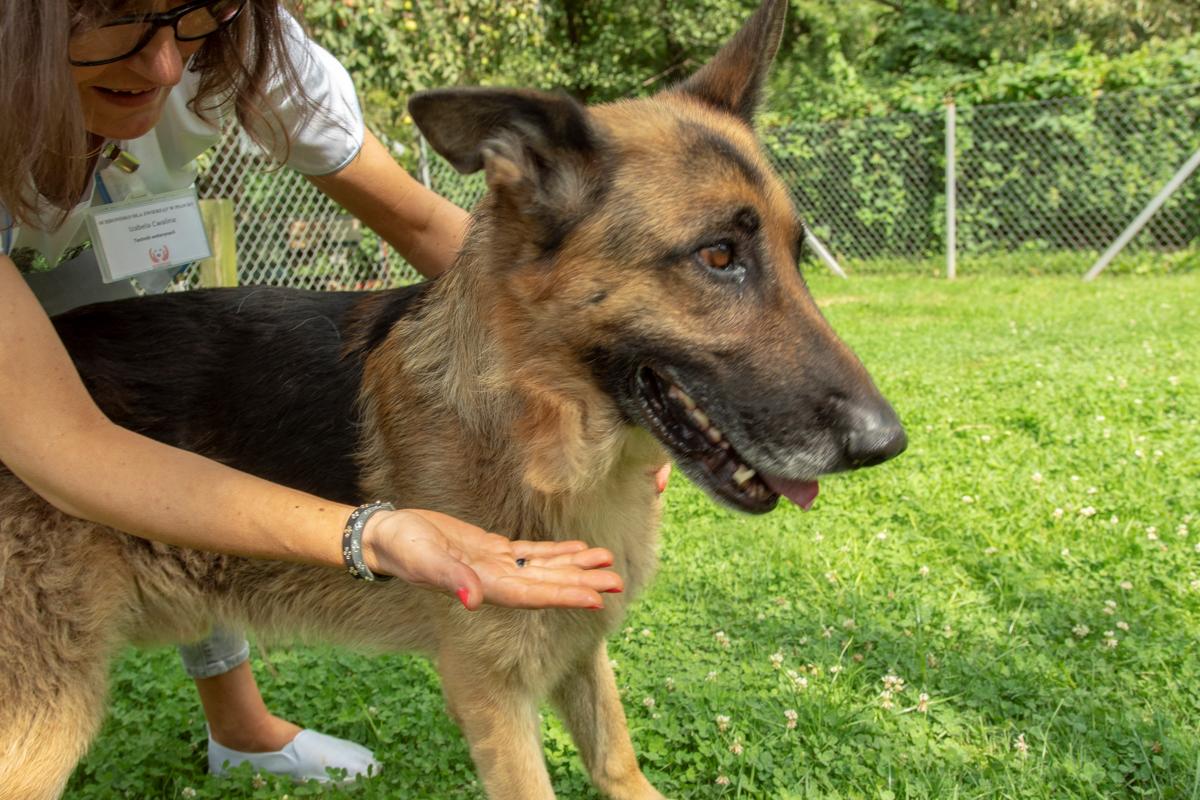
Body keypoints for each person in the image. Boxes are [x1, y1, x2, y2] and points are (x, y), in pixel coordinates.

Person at [0, 0, 628, 784]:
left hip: (99, 240)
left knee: (182, 411)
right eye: (121, 16)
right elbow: (70, 446)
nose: (164, 64)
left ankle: (240, 727)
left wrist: (599, 371)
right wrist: (372, 535)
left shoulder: (246, 41)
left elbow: (425, 228)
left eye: (194, 14)